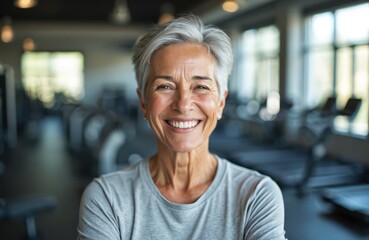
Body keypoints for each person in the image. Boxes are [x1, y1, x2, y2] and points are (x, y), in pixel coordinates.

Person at [77, 14, 286, 240]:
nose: (183, 104)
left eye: (201, 87)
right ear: (143, 103)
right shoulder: (106, 197)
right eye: (165, 86)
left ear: (221, 103)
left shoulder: (257, 195)